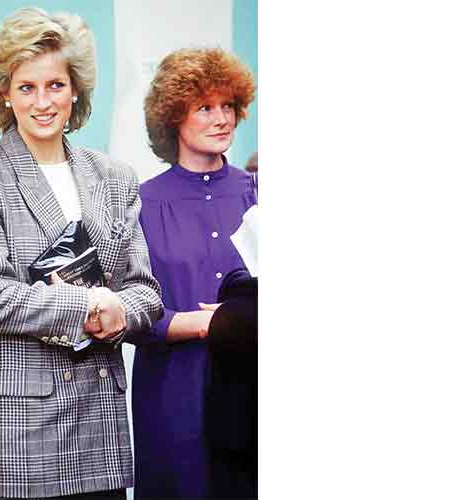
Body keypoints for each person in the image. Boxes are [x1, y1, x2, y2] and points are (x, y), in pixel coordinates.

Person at [0, 8, 163, 500]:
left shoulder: (115, 176)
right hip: (21, 428)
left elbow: (146, 292)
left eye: (55, 85)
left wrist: (120, 312)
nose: (42, 102)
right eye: (27, 87)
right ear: (5, 93)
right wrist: (90, 304)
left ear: (75, 89)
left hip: (99, 424)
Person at [132, 47, 258, 498]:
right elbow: (130, 313)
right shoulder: (141, 202)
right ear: (173, 116)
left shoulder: (259, 193)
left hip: (250, 392)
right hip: (172, 393)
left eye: (228, 106)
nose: (221, 119)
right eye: (204, 107)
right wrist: (207, 324)